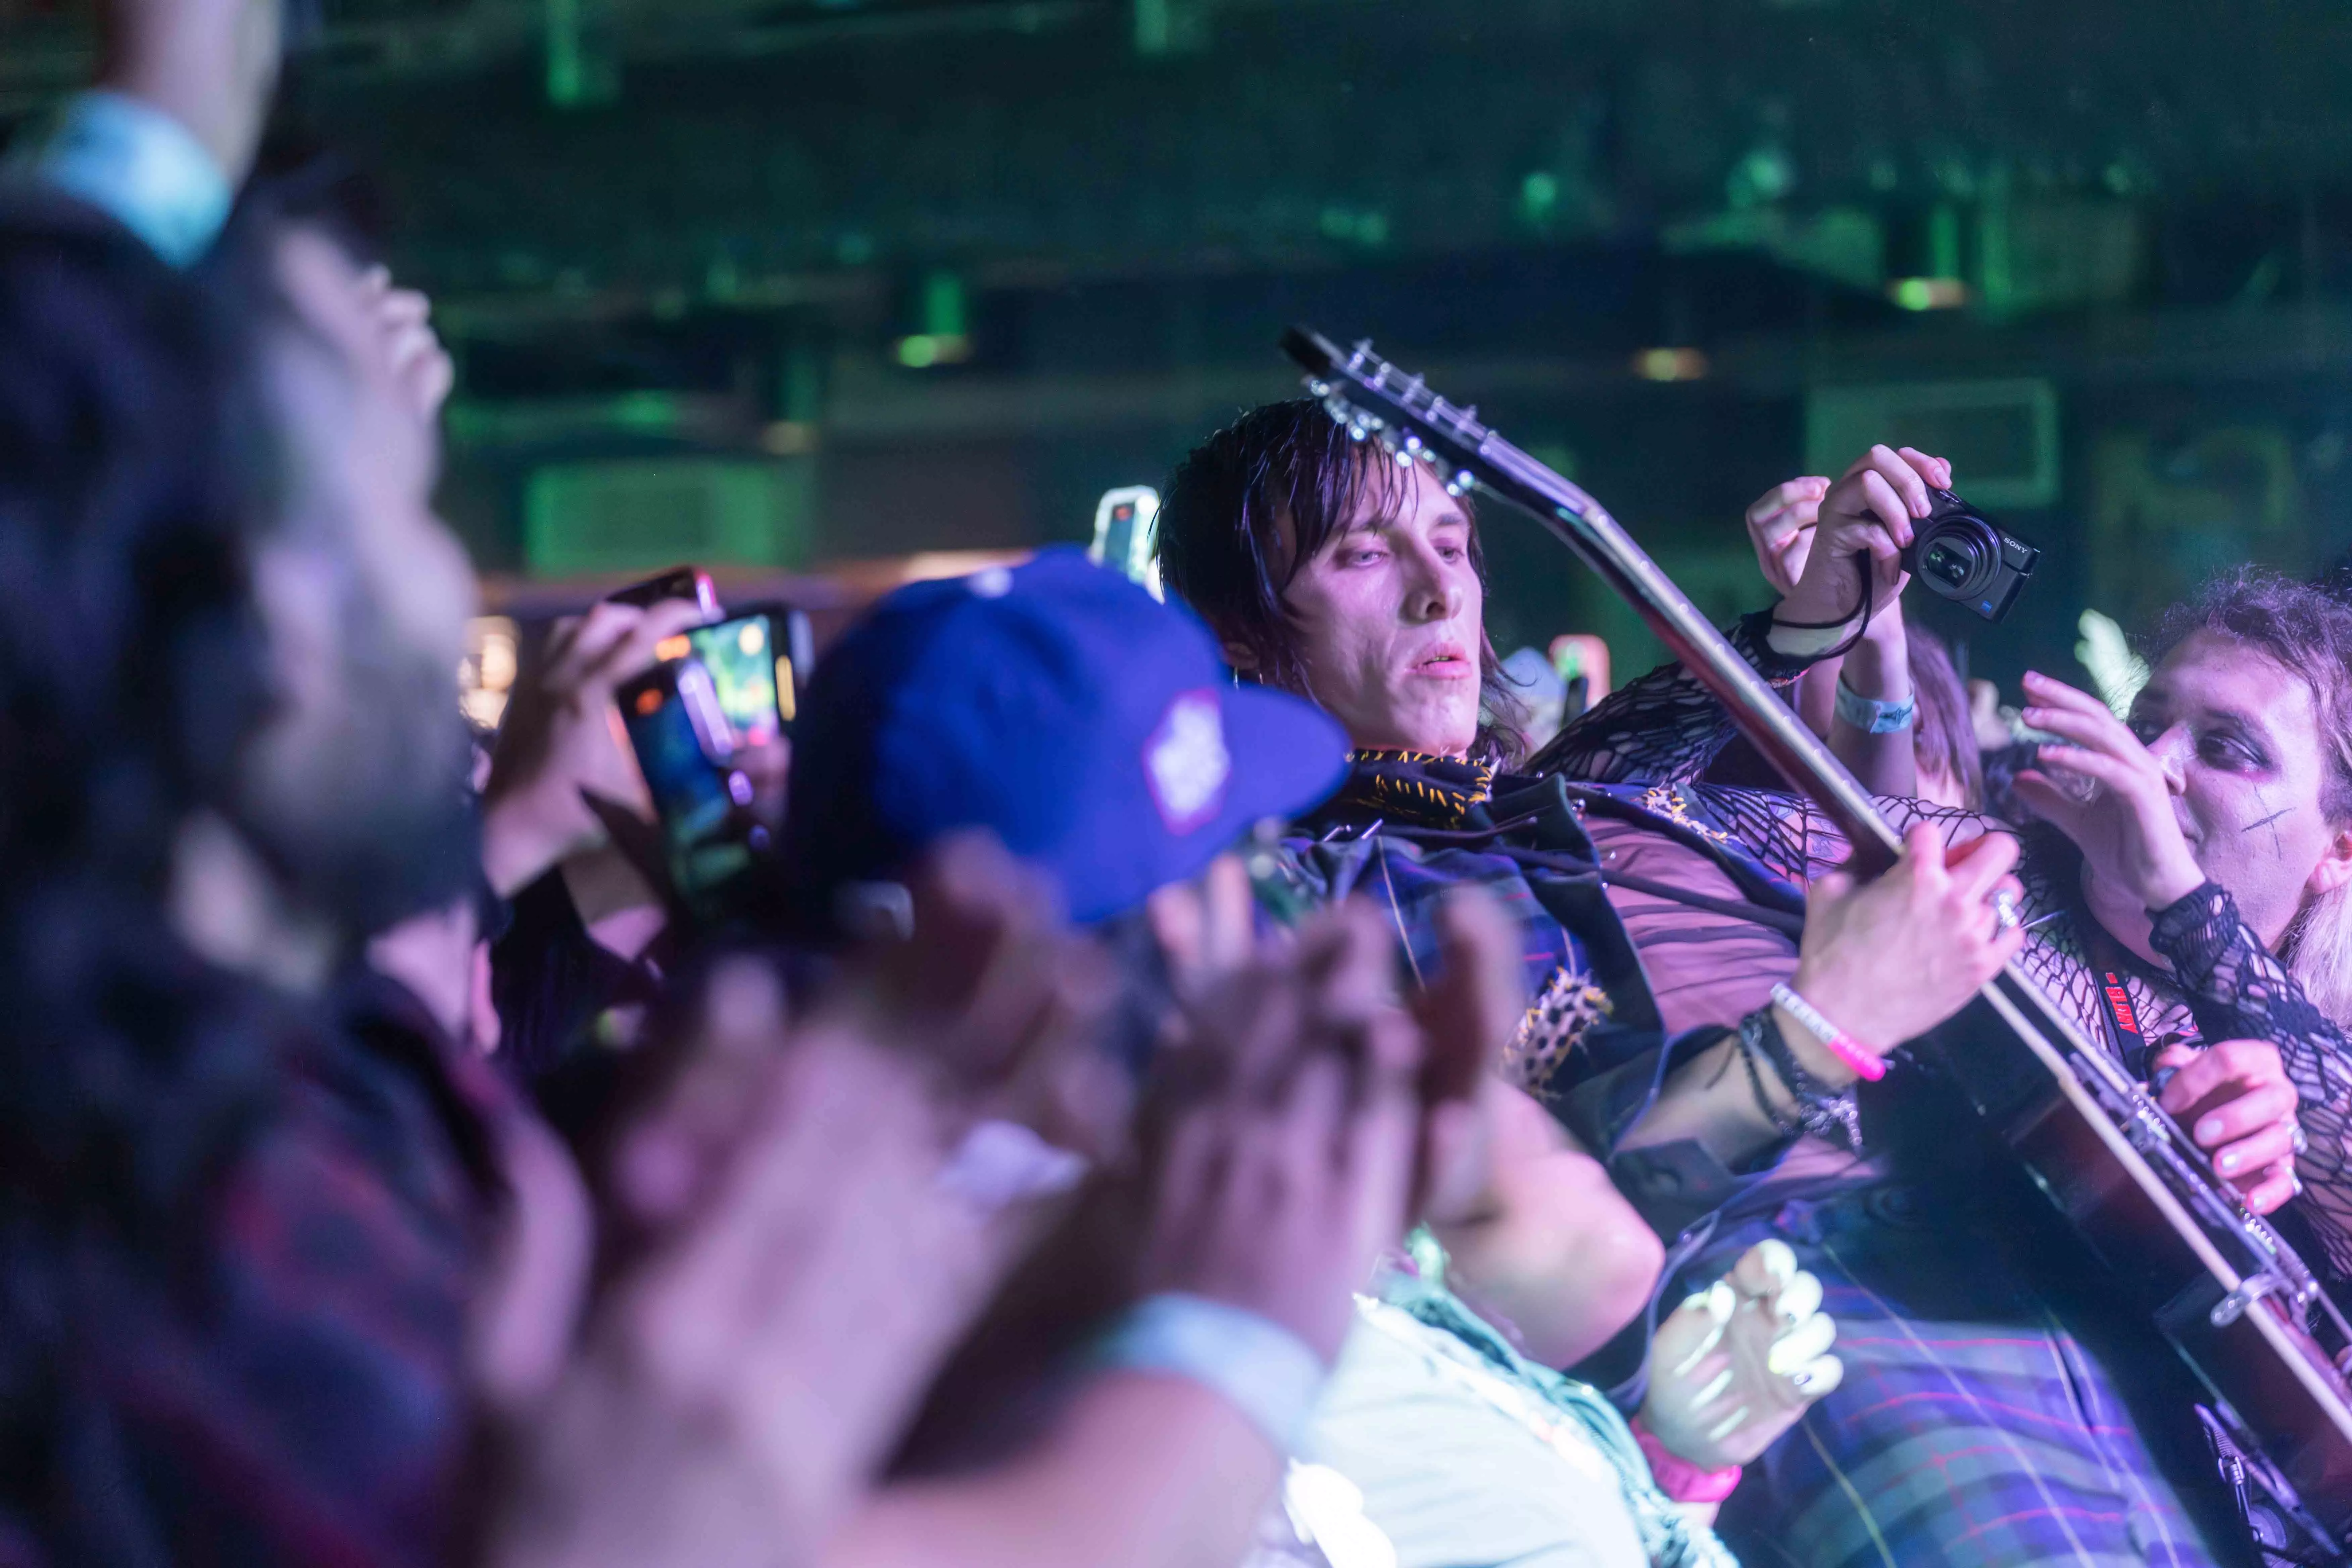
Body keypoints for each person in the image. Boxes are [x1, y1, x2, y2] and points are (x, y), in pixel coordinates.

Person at [1153, 398, 2333, 1565]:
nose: (1439, 589)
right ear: (1242, 634)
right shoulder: (1315, 899)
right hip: (1809, 1309)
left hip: (2042, 1259)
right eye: (1367, 554)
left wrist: (2201, 1107)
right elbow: (1556, 1238)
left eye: (1455, 544)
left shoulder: (1603, 798)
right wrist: (1832, 1018)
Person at [770, 549, 1848, 1568]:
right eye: (1241, 853)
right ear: (1180, 930)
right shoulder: (1119, 1337)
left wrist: (1668, 1462)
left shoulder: (1150, 1214)